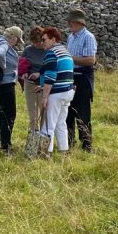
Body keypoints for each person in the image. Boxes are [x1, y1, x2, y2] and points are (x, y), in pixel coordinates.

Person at [37, 27, 76, 157]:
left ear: (53, 39)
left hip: (56, 93)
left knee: (48, 124)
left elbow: (50, 76)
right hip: (68, 92)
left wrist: (44, 96)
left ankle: (45, 154)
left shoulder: (51, 53)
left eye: (44, 40)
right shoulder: (65, 51)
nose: (42, 43)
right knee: (61, 123)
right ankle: (64, 152)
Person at [65, 8, 97, 152]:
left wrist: (69, 59)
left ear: (78, 22)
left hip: (83, 78)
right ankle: (68, 142)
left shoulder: (88, 37)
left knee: (82, 113)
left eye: (71, 22)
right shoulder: (71, 37)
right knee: (68, 112)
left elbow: (91, 60)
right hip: (70, 77)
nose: (69, 24)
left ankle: (86, 146)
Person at [0, 26, 23, 153]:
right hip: (6, 83)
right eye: (17, 40)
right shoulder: (5, 44)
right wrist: (4, 67)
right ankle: (5, 145)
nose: (17, 43)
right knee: (9, 114)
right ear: (12, 36)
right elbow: (0, 54)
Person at [20, 27, 48, 156]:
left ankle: (42, 148)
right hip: (30, 86)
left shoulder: (49, 51)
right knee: (33, 115)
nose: (37, 45)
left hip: (44, 86)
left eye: (39, 42)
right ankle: (32, 146)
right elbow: (22, 64)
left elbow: (52, 70)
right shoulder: (28, 50)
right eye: (34, 42)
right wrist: (24, 73)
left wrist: (39, 74)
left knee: (44, 115)